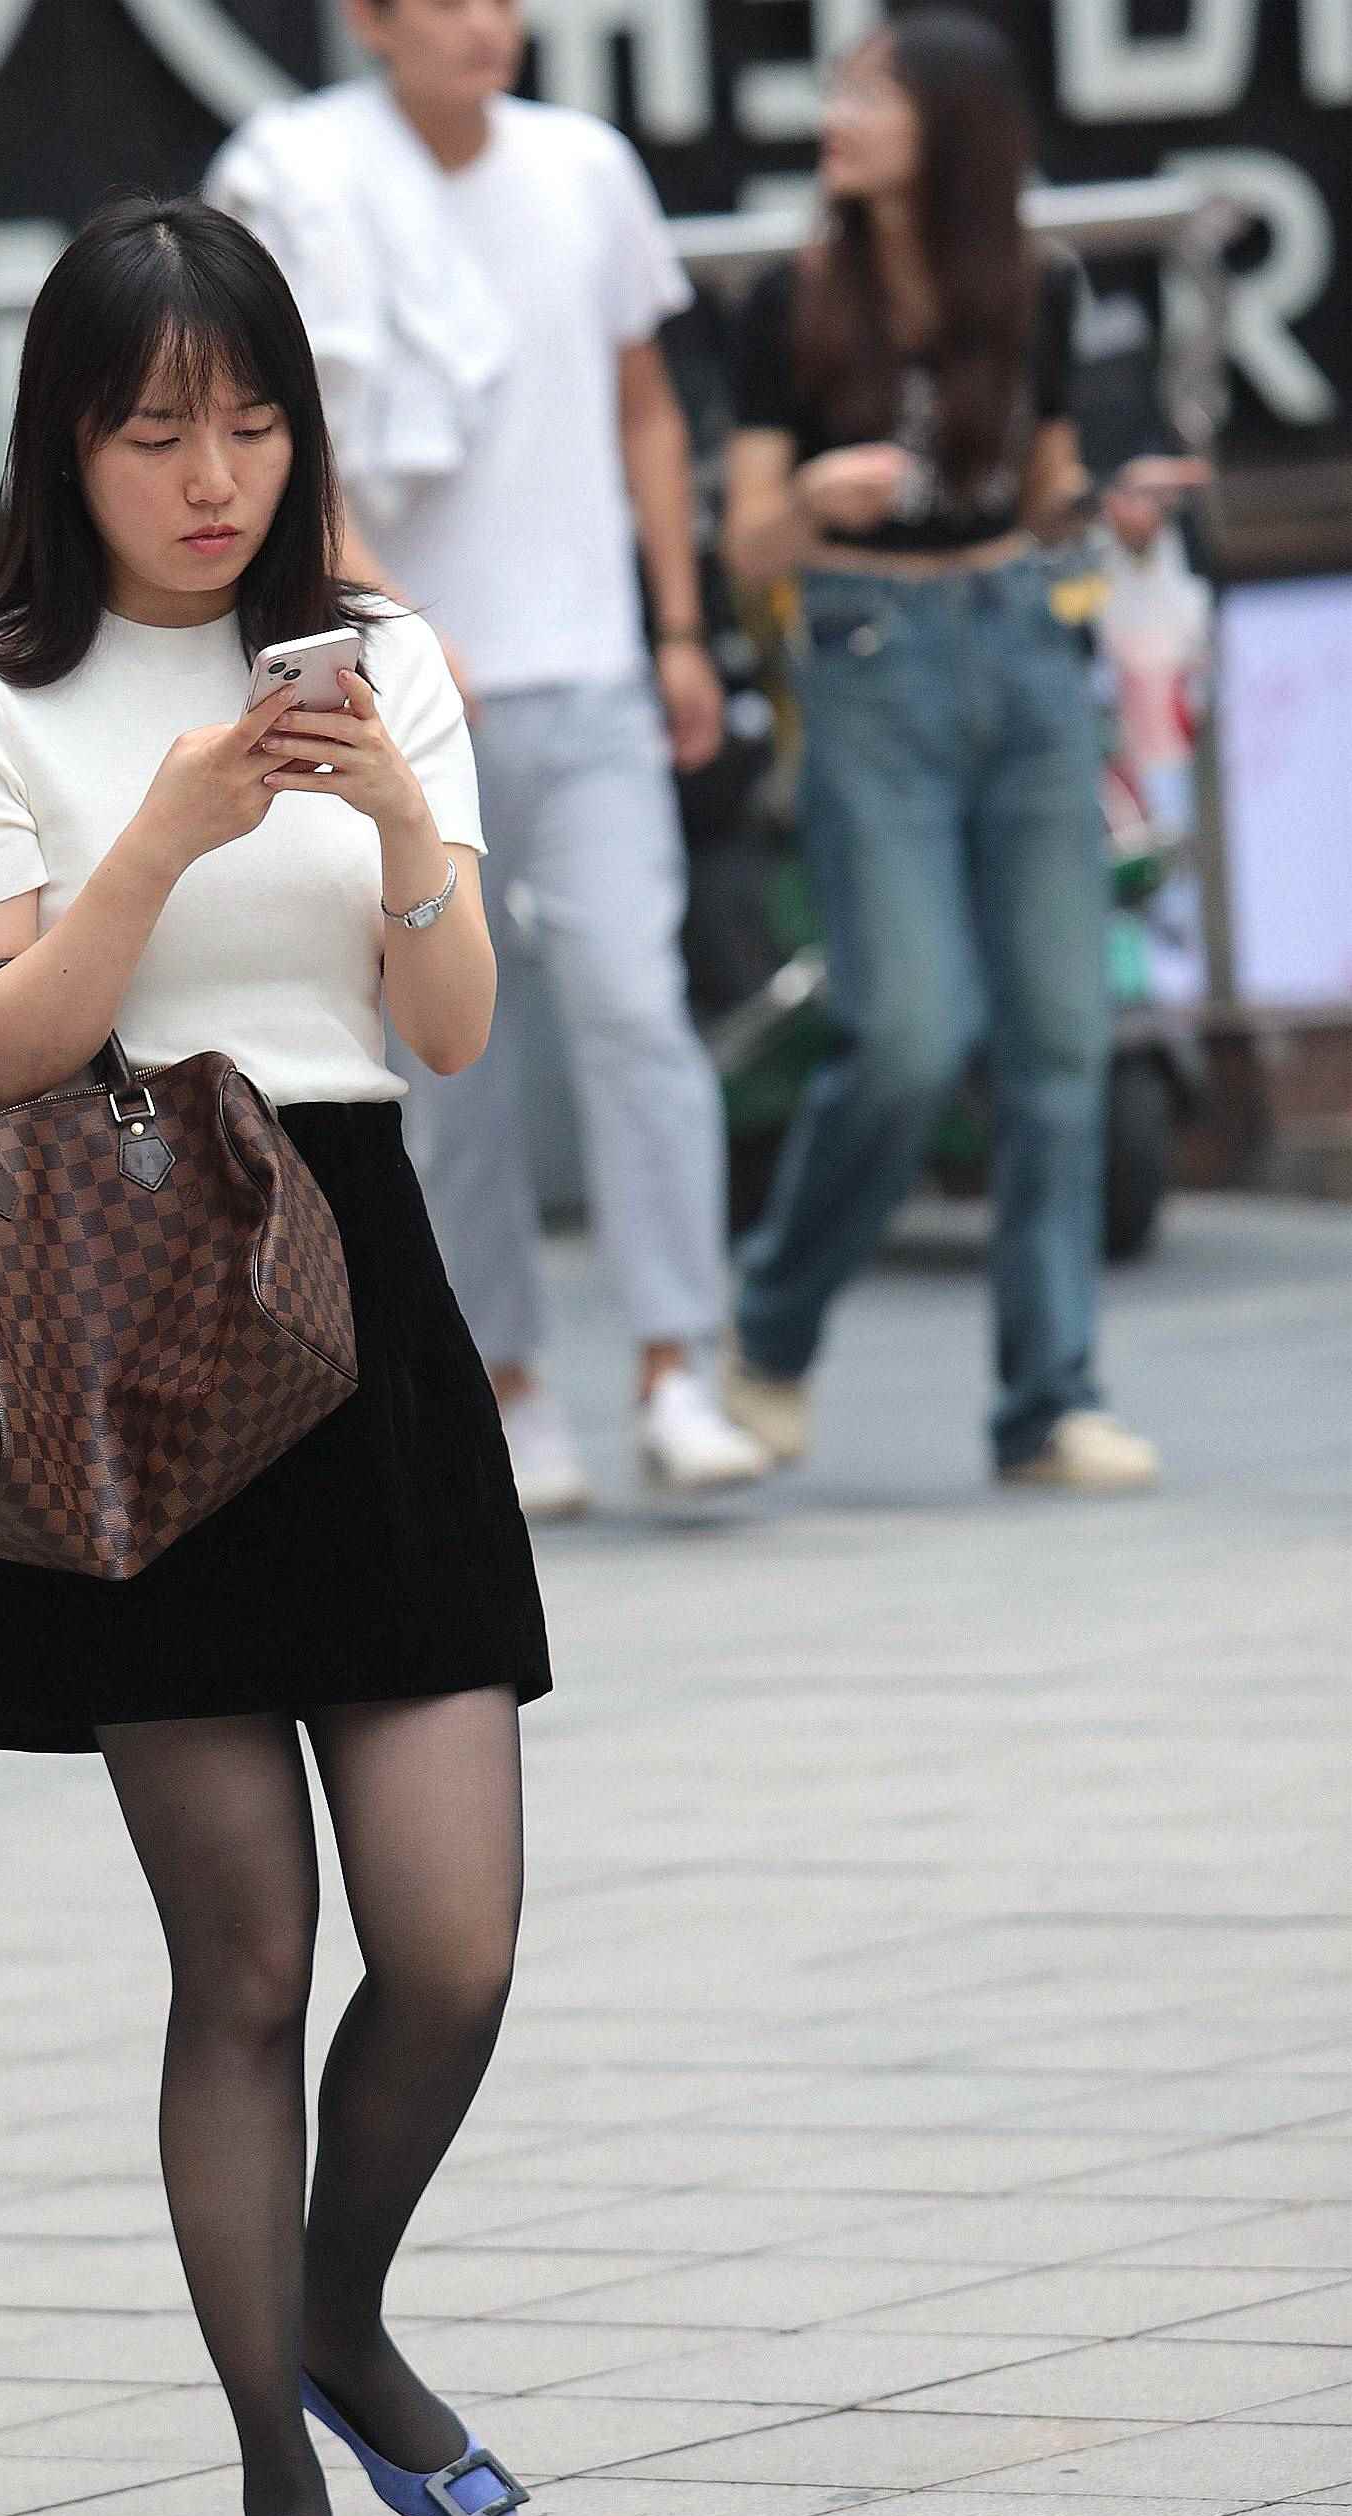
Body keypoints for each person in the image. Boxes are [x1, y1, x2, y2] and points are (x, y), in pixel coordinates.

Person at [0, 192, 548, 2516]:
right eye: (156, 430)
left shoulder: (383, 659)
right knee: (246, 1965)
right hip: (126, 1304)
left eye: (253, 424)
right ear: (65, 444)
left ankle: (341, 2314)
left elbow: (448, 1031)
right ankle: (278, 2478)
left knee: (451, 1948)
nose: (211, 478)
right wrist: (160, 836)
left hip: (358, 1281)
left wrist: (393, 822)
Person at [206, 0, 770, 1515]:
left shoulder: (585, 165)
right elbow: (262, 432)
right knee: (445, 1054)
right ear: (369, 22)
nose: (489, 24)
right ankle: (506, 1385)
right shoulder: (287, 168)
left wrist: (678, 625)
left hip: (587, 667)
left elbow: (647, 409)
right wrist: (387, 616)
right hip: (400, 697)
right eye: (448, 2)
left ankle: (676, 1364)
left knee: (634, 1005)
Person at [717, 7, 1205, 1490]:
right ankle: (773, 1329)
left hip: (1023, 649)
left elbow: (1043, 488)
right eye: (840, 90)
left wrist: (1110, 508)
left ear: (950, 127)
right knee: (909, 1035)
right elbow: (746, 543)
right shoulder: (791, 303)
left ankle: (1048, 1400)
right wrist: (816, 499)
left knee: (1061, 1039)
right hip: (869, 658)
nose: (839, 117)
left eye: (870, 94)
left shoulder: (1032, 287)